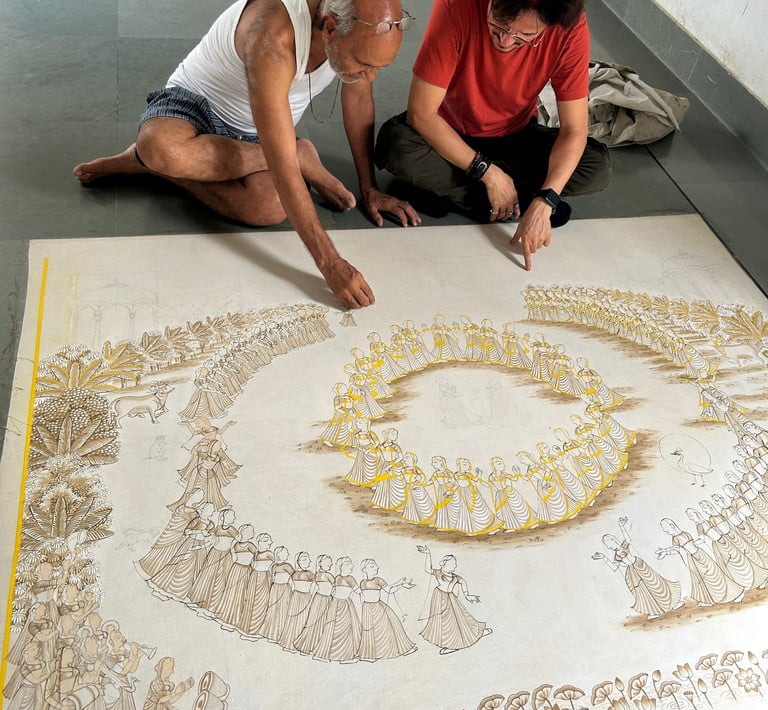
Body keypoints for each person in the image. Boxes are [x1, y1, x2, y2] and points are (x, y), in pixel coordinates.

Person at [73, 0, 420, 308]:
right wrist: (330, 264)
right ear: (329, 28)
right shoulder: (273, 33)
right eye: (363, 64)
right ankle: (292, 155)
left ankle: (151, 166)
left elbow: (358, 98)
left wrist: (369, 187)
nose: (369, 75)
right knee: (160, 148)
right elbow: (281, 165)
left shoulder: (357, 33)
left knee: (270, 207)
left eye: (377, 67)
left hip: (259, 134)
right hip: (195, 109)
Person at [374, 0, 611, 270]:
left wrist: (547, 199)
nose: (506, 41)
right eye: (498, 25)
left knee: (596, 166)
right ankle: (515, 201)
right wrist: (488, 174)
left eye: (525, 36)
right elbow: (421, 114)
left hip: (516, 136)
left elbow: (574, 130)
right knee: (396, 146)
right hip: (448, 135)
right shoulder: (455, 5)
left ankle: (467, 197)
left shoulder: (568, 26)